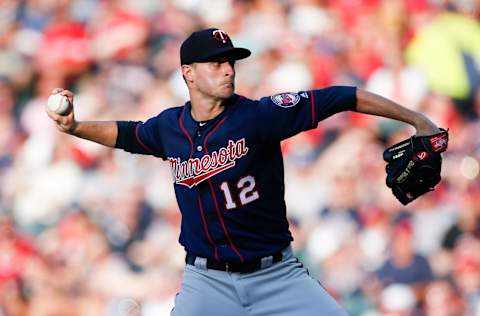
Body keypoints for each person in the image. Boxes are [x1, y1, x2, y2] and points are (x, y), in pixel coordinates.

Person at [46, 28, 441, 316]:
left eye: (230, 62)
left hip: (278, 276)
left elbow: (344, 96)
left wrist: (417, 119)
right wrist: (76, 127)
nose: (228, 70)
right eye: (216, 63)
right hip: (207, 282)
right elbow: (128, 133)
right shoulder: (170, 128)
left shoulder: (259, 116)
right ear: (188, 73)